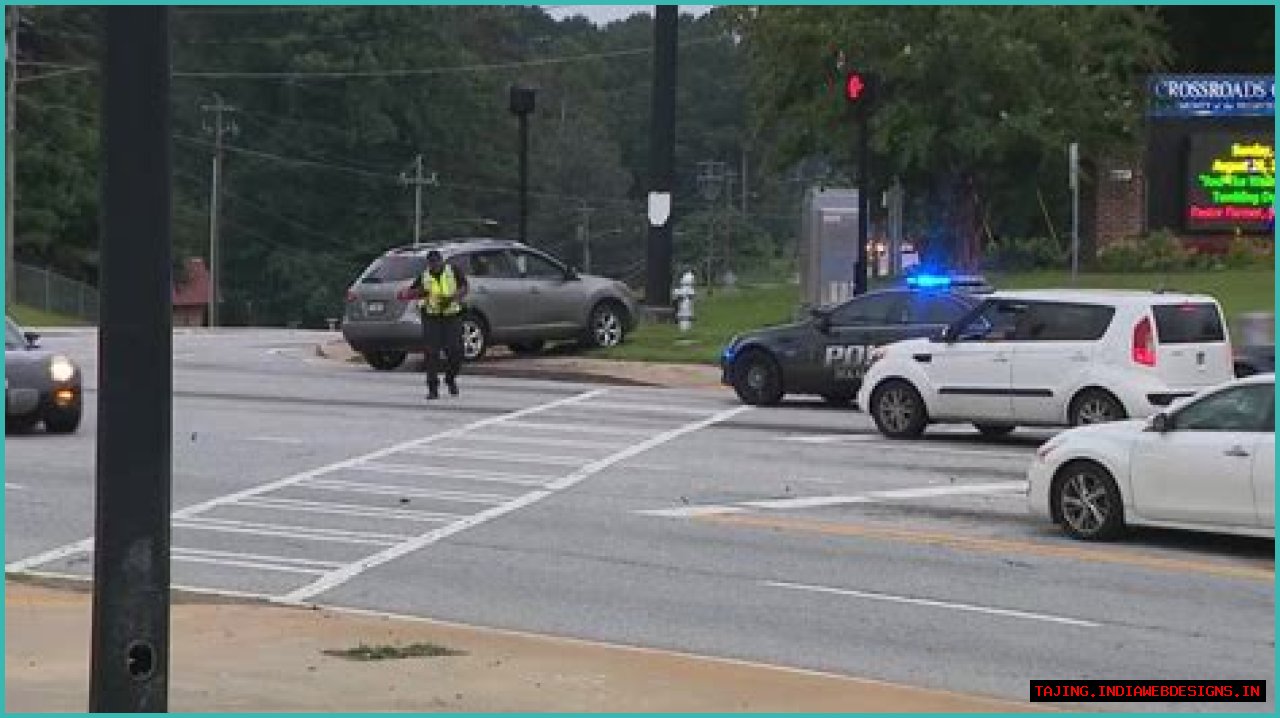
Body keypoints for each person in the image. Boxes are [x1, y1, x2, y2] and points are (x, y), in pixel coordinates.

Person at [406, 250, 469, 399]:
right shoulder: (425, 276)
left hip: (451, 315)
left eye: (437, 262)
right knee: (431, 352)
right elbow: (413, 291)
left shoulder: (453, 271)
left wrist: (453, 297)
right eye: (432, 264)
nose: (435, 266)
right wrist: (418, 292)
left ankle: (450, 378)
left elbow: (465, 287)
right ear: (428, 264)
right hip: (431, 316)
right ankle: (432, 388)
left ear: (442, 261)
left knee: (456, 351)